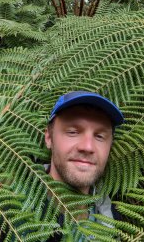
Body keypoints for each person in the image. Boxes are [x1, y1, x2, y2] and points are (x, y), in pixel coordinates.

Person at [44, 91, 124, 241]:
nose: (88, 147)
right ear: (49, 138)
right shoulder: (5, 212)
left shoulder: (112, 215)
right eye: (73, 132)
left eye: (100, 136)